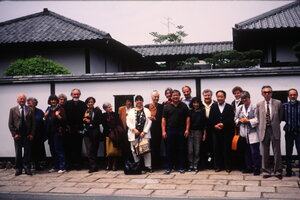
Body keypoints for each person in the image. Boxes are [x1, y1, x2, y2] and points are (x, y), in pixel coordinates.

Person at [257, 85, 283, 179]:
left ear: (271, 93)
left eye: (269, 92)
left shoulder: (278, 103)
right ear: (262, 94)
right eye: (265, 92)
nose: (267, 94)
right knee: (265, 151)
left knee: (277, 151)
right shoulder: (259, 104)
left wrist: (274, 124)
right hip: (264, 130)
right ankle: (266, 171)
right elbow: (258, 118)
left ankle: (278, 170)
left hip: (274, 129)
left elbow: (280, 117)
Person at [162, 90, 190, 174]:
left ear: (179, 96)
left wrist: (187, 129)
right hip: (170, 130)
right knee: (170, 149)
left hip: (181, 130)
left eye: (177, 95)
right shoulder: (167, 106)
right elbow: (163, 119)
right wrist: (163, 131)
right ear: (171, 96)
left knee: (181, 149)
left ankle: (181, 167)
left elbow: (188, 118)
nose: (175, 97)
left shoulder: (184, 106)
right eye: (174, 95)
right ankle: (169, 167)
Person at [235, 91, 261, 176]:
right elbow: (235, 119)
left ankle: (257, 168)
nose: (244, 100)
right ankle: (248, 167)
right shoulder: (239, 108)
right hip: (243, 132)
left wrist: (248, 121)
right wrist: (239, 120)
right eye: (243, 98)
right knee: (246, 151)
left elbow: (258, 119)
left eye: (246, 98)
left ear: (249, 98)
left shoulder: (255, 107)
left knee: (254, 151)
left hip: (253, 132)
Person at [8, 94, 35, 176]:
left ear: (25, 100)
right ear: (17, 100)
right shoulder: (13, 110)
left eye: (23, 99)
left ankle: (27, 168)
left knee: (27, 152)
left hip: (27, 134)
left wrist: (31, 134)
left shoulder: (30, 109)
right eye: (20, 99)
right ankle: (18, 169)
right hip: (18, 134)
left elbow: (33, 124)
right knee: (18, 152)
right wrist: (14, 134)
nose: (22, 100)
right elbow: (10, 123)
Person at [209, 90, 235, 173]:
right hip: (216, 132)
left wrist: (224, 124)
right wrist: (214, 125)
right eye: (218, 97)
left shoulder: (229, 107)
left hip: (226, 131)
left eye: (221, 97)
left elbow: (231, 120)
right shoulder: (213, 106)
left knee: (227, 149)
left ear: (225, 97)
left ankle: (228, 166)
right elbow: (210, 119)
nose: (220, 98)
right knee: (216, 149)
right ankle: (217, 166)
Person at [127, 95, 153, 173]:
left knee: (145, 151)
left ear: (143, 101)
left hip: (144, 134)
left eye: (140, 100)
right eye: (137, 100)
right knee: (134, 150)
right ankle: (137, 165)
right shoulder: (131, 111)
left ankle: (148, 166)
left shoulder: (147, 110)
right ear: (135, 102)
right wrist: (133, 129)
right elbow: (128, 122)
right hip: (134, 133)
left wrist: (144, 131)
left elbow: (149, 122)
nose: (139, 101)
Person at [64, 89, 87, 170]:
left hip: (79, 129)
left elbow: (86, 115)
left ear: (80, 95)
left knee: (78, 146)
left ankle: (77, 164)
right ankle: (69, 164)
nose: (76, 96)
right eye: (74, 94)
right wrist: (66, 126)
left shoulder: (83, 104)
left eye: (77, 94)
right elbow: (64, 116)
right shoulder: (67, 104)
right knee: (69, 147)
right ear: (71, 95)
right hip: (69, 129)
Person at [44, 95, 67, 173]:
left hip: (57, 132)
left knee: (59, 149)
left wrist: (58, 116)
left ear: (57, 101)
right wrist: (45, 116)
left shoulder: (60, 109)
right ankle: (56, 166)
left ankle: (62, 167)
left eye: (54, 100)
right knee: (52, 150)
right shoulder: (49, 109)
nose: (53, 101)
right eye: (51, 100)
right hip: (49, 133)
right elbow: (44, 120)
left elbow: (64, 121)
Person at [282, 88, 300, 177]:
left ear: (297, 95)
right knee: (288, 151)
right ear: (288, 96)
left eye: (294, 94)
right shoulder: (284, 106)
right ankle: (288, 170)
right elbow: (281, 117)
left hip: (299, 132)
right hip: (289, 132)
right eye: (291, 95)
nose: (293, 96)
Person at [82, 97, 102, 173]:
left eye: (92, 102)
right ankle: (92, 166)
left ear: (94, 103)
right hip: (87, 131)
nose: (90, 103)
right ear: (87, 103)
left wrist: (90, 121)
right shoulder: (85, 110)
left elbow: (99, 121)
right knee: (89, 149)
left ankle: (95, 165)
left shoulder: (97, 110)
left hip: (95, 131)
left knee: (94, 149)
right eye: (89, 102)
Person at [103, 102, 124, 171]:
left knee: (115, 149)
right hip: (107, 134)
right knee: (107, 150)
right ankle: (108, 164)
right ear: (105, 109)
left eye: (110, 106)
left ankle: (114, 165)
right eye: (108, 107)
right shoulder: (103, 115)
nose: (110, 108)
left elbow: (118, 123)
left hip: (115, 134)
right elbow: (104, 124)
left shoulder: (115, 114)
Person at [145, 90, 163, 169]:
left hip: (157, 130)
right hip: (148, 130)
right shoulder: (147, 106)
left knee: (156, 147)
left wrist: (154, 118)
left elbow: (163, 118)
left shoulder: (161, 106)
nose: (156, 98)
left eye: (158, 97)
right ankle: (148, 165)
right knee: (148, 147)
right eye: (155, 97)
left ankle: (156, 164)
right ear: (151, 97)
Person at [188, 97, 206, 172]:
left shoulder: (202, 111)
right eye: (194, 103)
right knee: (190, 150)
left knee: (197, 150)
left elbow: (204, 123)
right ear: (192, 103)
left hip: (198, 132)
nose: (196, 104)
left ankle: (195, 165)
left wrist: (204, 134)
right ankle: (190, 165)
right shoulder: (189, 111)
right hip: (190, 132)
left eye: (197, 103)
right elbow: (187, 121)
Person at [27, 97, 46, 171]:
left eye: (30, 103)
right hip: (29, 134)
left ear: (35, 104)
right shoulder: (26, 111)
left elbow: (44, 120)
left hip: (38, 134)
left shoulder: (40, 111)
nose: (29, 104)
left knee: (38, 150)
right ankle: (28, 165)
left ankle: (37, 164)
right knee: (29, 150)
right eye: (28, 103)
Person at [200, 89, 215, 168]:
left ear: (211, 96)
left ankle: (213, 164)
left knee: (213, 146)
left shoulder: (215, 104)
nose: (207, 97)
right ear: (203, 96)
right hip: (203, 128)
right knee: (204, 146)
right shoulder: (200, 105)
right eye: (205, 95)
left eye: (209, 95)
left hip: (213, 128)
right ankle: (204, 164)